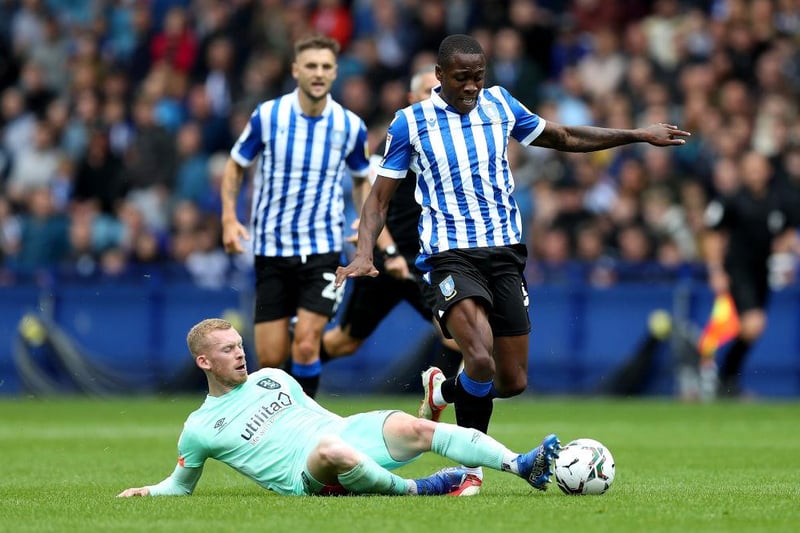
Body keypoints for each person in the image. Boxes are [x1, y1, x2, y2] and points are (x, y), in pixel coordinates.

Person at [335, 34, 689, 495]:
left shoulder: (501, 105)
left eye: (477, 77)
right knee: (477, 358)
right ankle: (470, 471)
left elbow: (563, 136)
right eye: (461, 78)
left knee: (513, 379)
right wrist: (365, 252)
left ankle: (442, 393)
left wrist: (637, 134)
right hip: (449, 256)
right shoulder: (410, 124)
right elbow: (378, 200)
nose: (470, 87)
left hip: (504, 256)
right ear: (439, 77)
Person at [116, 318, 561, 498]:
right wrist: (147, 492)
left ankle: (522, 465)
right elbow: (181, 486)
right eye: (227, 349)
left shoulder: (272, 376)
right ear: (203, 361)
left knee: (412, 426)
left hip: (343, 432)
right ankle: (421, 489)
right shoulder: (199, 427)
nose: (239, 353)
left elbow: (323, 418)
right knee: (333, 451)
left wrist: (371, 431)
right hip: (304, 472)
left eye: (239, 345)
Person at [220, 34, 371, 398]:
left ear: (334, 73)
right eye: (311, 66)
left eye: (325, 67)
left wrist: (364, 222)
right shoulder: (269, 116)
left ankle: (306, 429)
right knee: (271, 360)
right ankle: (279, 427)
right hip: (272, 250)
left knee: (306, 344)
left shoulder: (350, 125)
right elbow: (236, 166)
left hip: (322, 251)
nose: (318, 73)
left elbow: (362, 179)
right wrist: (228, 217)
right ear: (296, 70)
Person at [320, 65, 463, 383]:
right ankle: (288, 368)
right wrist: (390, 251)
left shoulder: (454, 140)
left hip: (430, 260)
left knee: (457, 335)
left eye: (441, 92)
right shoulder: (395, 140)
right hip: (386, 260)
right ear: (411, 99)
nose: (436, 98)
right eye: (428, 91)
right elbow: (372, 203)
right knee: (345, 342)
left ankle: (437, 403)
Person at [703, 150, 798, 398]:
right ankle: (724, 378)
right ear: (742, 171)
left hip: (762, 270)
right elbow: (713, 235)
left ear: (768, 171)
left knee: (754, 327)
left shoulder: (780, 200)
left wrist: (788, 250)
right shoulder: (732, 200)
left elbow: (788, 233)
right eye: (750, 167)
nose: (755, 173)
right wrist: (716, 271)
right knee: (753, 324)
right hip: (738, 269)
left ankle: (722, 377)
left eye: (759, 167)